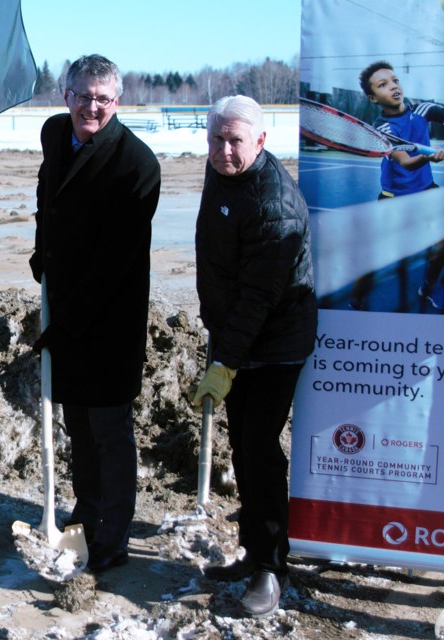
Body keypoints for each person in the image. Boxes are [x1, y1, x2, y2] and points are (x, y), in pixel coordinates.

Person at [28, 54, 161, 573]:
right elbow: (49, 202)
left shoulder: (137, 165)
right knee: (77, 423)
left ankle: (113, 533)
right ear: (66, 95)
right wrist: (43, 252)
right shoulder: (55, 135)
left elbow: (114, 259)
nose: (92, 107)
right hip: (65, 306)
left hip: (109, 318)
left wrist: (67, 325)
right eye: (83, 95)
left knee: (108, 426)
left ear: (118, 102)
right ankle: (85, 514)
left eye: (103, 99)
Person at [192, 95, 317, 617]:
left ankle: (271, 567)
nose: (224, 150)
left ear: (261, 141)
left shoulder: (275, 204)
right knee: (243, 448)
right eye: (216, 139)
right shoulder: (223, 172)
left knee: (260, 450)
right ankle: (253, 550)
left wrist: (224, 362)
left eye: (235, 141)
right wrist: (219, 341)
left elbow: (258, 297)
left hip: (274, 341)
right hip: (238, 336)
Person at [353, 61, 444, 310]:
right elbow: (406, 163)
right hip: (395, 198)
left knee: (441, 244)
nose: (393, 87)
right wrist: (430, 155)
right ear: (373, 98)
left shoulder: (424, 110)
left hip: (426, 191)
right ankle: (355, 299)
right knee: (372, 259)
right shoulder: (382, 128)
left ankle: (427, 288)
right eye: (383, 85)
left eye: (394, 80)